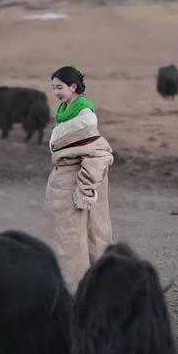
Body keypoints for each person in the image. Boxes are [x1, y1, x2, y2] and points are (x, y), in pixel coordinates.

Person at [45, 66, 114, 293]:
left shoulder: (84, 115)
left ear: (73, 87)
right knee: (76, 238)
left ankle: (76, 292)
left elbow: (97, 153)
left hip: (78, 189)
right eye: (53, 88)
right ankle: (93, 288)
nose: (56, 92)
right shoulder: (66, 110)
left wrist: (85, 189)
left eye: (60, 87)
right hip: (69, 186)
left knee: (77, 240)